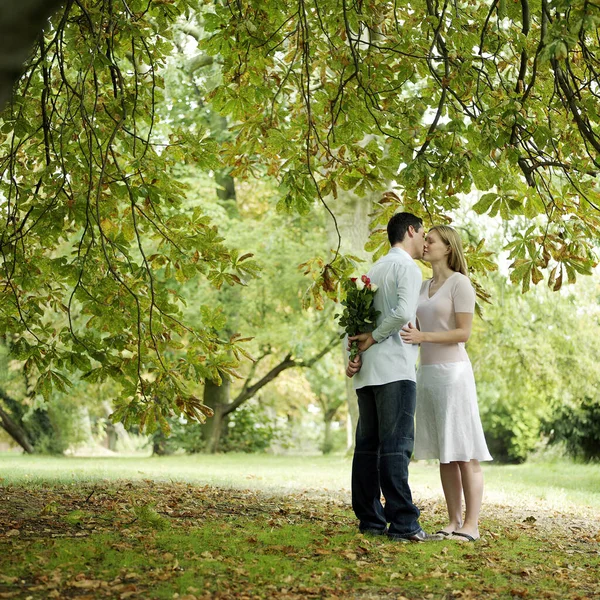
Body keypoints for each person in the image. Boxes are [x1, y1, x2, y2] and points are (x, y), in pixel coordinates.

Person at [346, 212, 443, 542]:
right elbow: (402, 312)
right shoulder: (405, 267)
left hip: (369, 372)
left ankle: (371, 520)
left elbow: (353, 322)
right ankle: (403, 523)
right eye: (423, 234)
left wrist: (356, 353)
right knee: (396, 447)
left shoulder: (373, 270)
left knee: (367, 448)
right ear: (411, 231)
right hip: (394, 371)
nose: (425, 241)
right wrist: (373, 337)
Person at [399, 225, 492, 542]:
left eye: (430, 240)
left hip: (454, 374)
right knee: (445, 452)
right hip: (428, 374)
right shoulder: (422, 285)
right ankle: (453, 521)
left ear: (448, 248)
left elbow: (463, 333)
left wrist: (423, 336)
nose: (424, 244)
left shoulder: (460, 283)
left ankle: (472, 525)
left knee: (464, 451)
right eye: (423, 239)